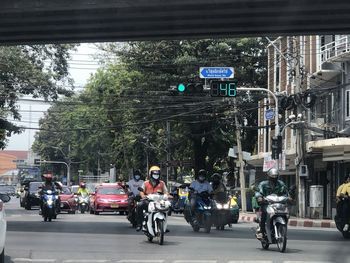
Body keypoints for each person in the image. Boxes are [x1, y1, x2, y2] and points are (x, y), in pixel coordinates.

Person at [255, 168, 290, 239]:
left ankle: (283, 229)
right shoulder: (263, 184)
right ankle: (261, 231)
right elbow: (258, 192)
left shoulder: (281, 184)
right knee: (264, 214)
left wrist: (289, 198)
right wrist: (259, 197)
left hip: (278, 204)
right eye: (272, 177)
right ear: (268, 177)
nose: (274, 179)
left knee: (285, 214)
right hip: (266, 204)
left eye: (275, 177)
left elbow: (286, 193)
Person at [136, 166, 169, 231]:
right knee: (139, 205)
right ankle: (139, 223)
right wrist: (143, 196)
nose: (156, 175)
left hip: (159, 201)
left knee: (168, 207)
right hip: (148, 200)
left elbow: (166, 192)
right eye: (154, 173)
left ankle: (163, 225)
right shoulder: (146, 183)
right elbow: (141, 191)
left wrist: (167, 196)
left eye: (157, 174)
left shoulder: (162, 183)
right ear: (150, 174)